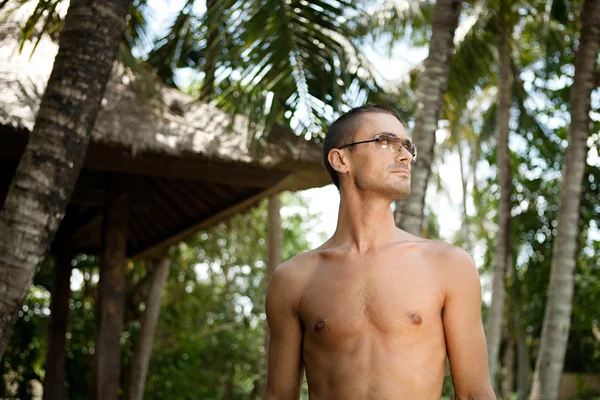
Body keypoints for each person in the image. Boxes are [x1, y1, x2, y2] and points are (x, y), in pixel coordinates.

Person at [264, 105, 495, 399]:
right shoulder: (294, 279)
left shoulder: (447, 265)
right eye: (385, 141)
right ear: (340, 159)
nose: (405, 155)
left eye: (406, 146)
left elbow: (475, 394)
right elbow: (279, 396)